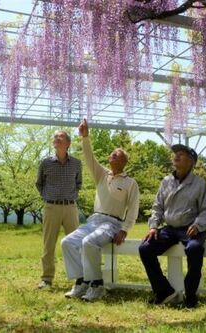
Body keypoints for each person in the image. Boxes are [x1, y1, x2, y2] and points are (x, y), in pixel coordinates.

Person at [60, 119, 139, 302]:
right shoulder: (102, 175)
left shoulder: (130, 183)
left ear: (124, 161)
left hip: (112, 223)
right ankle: (81, 282)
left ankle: (97, 285)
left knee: (89, 243)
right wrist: (85, 137)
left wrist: (125, 229)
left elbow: (133, 208)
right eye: (112, 153)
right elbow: (89, 157)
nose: (112, 155)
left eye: (116, 154)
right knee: (67, 242)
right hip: (93, 220)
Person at [139, 144, 206, 308]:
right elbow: (157, 207)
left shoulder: (199, 183)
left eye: (181, 154)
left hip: (191, 227)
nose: (176, 156)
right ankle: (164, 291)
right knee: (145, 248)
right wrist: (153, 226)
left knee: (194, 249)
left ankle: (190, 296)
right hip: (170, 228)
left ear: (191, 162)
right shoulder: (166, 181)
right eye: (175, 154)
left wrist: (198, 225)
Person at [36, 130, 82, 289]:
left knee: (75, 243)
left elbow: (79, 183)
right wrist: (48, 197)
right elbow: (39, 184)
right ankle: (47, 279)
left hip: (70, 207)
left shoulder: (77, 163)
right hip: (51, 208)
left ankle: (79, 279)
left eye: (60, 136)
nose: (56, 138)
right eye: (55, 136)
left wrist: (71, 196)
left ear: (68, 143)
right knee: (48, 244)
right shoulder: (45, 163)